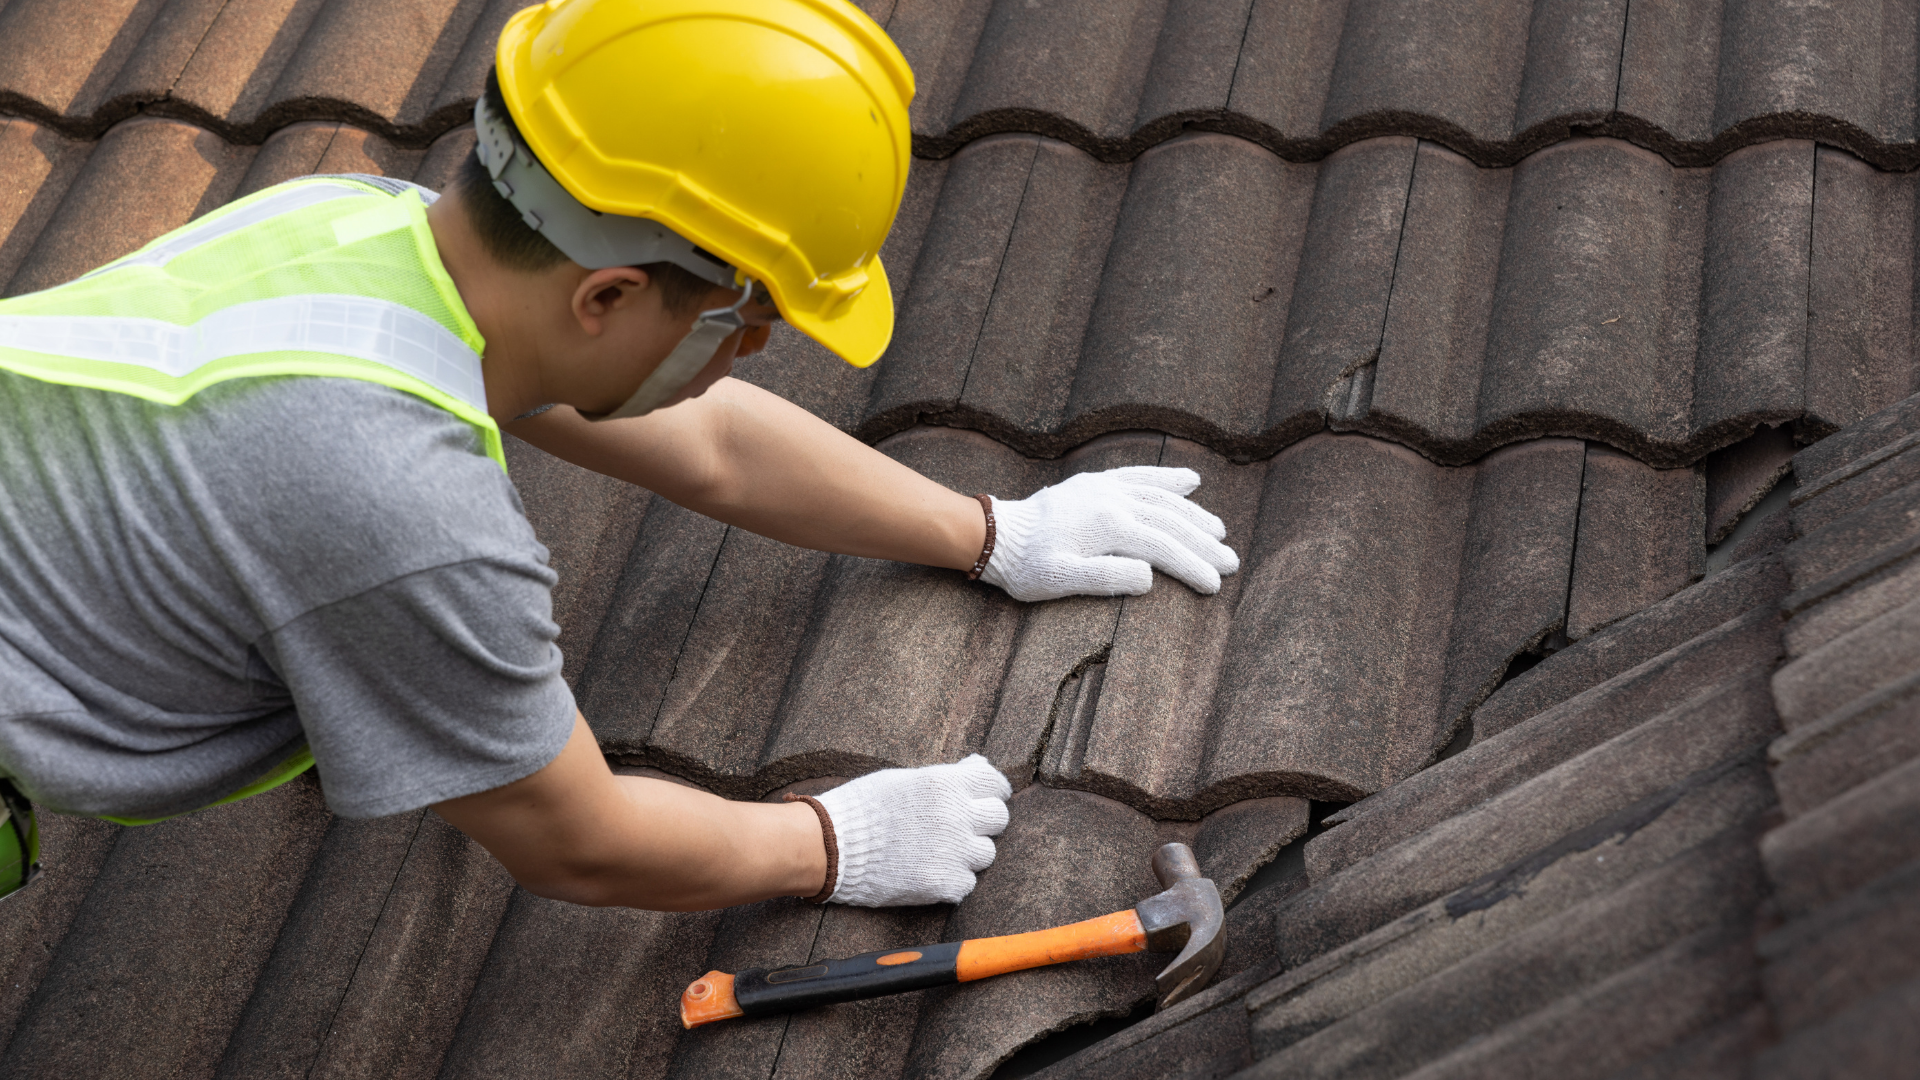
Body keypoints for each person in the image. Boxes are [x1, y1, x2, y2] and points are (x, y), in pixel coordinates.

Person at [0, 0, 1238, 912]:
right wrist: (829, 840)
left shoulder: (358, 226)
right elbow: (574, 839)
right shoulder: (399, 513)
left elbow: (703, 443)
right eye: (743, 323)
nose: (743, 359)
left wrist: (992, 530)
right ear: (605, 298)